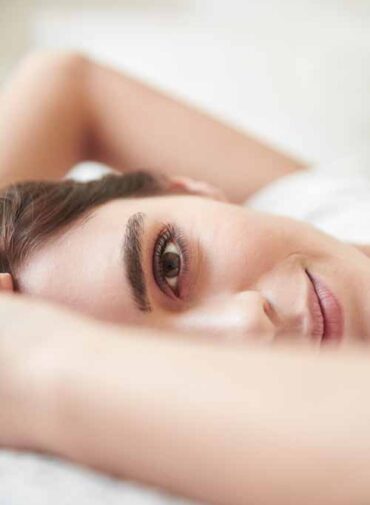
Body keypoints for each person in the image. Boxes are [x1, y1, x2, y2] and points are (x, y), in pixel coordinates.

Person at [1, 51, 370, 505]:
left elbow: (68, 82)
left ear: (188, 188)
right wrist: (33, 368)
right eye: (172, 362)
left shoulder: (312, 205)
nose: (249, 325)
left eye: (170, 264)